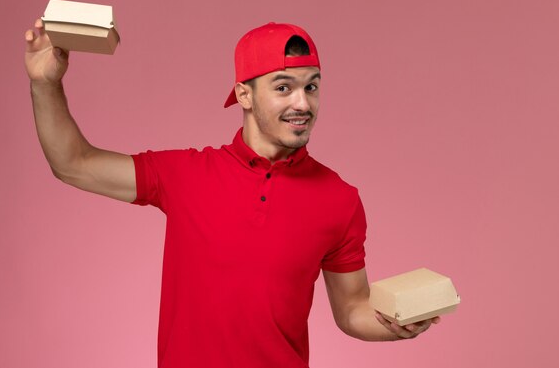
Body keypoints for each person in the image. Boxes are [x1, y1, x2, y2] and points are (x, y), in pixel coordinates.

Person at [24, 19, 440, 368]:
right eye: (283, 87)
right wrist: (45, 85)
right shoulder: (185, 174)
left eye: (312, 86)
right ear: (244, 94)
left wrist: (397, 324)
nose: (303, 103)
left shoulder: (340, 199)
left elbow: (352, 310)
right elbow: (73, 164)